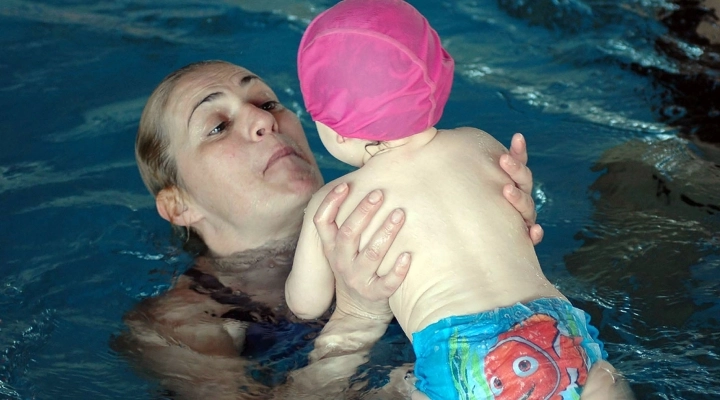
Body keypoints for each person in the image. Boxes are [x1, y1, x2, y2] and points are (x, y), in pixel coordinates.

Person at [115, 58, 545, 399]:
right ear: (178, 204)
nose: (264, 121)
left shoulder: (399, 207)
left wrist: (500, 226)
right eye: (218, 126)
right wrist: (355, 319)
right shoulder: (180, 324)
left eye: (267, 103)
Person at [286, 0, 634, 399]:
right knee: (604, 378)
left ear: (335, 128)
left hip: (463, 355)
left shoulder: (334, 200)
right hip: (556, 330)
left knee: (407, 385)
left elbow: (307, 304)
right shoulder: (482, 143)